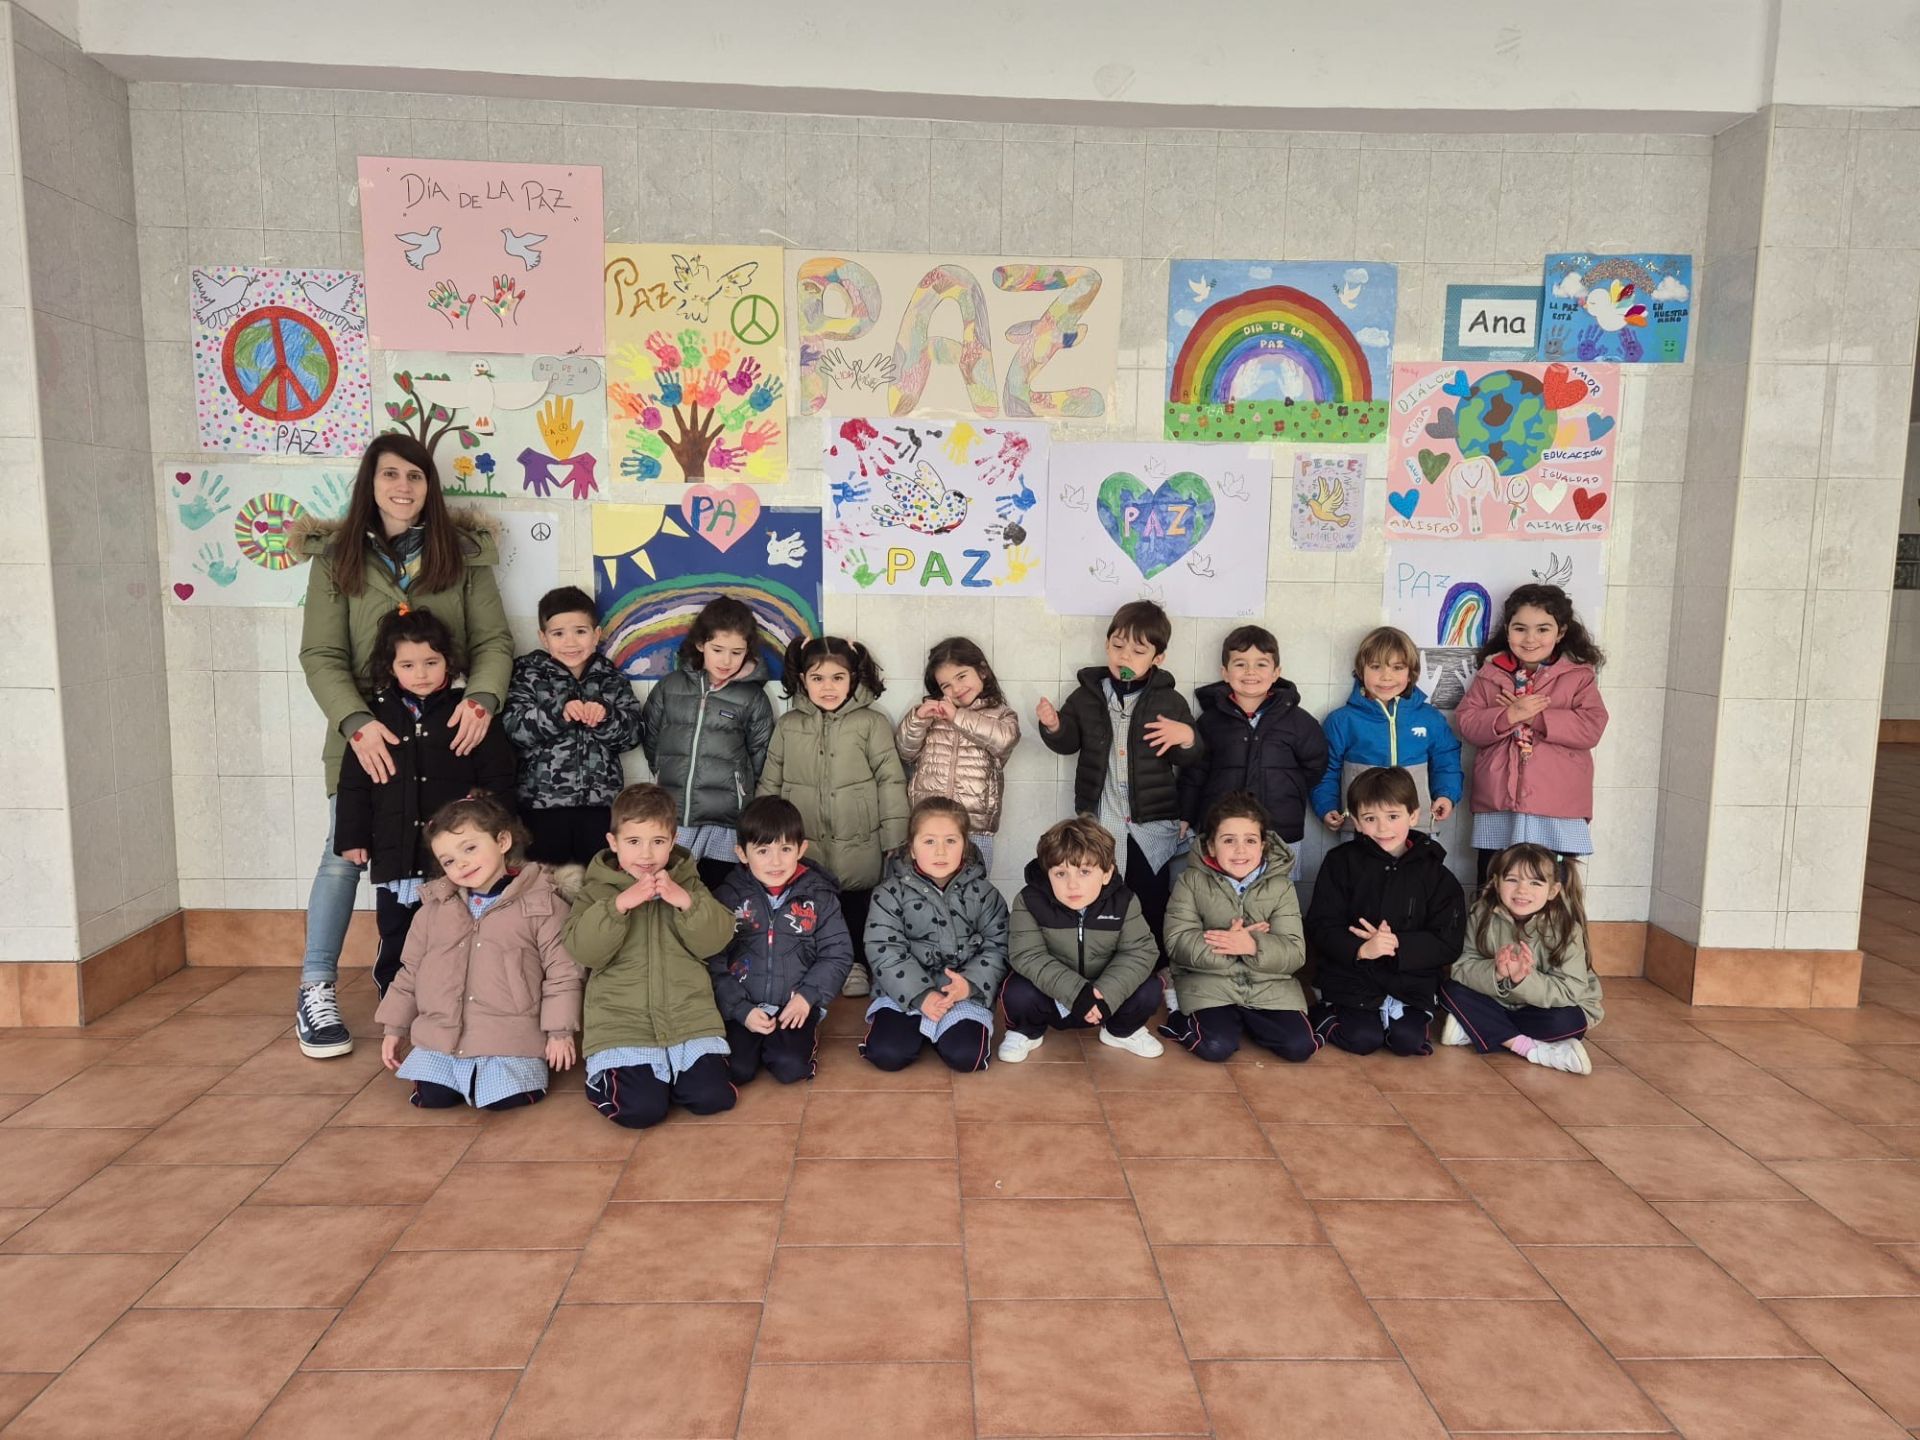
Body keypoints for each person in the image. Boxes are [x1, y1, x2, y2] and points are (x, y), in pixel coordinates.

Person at [294, 433, 514, 1059]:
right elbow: (322, 655)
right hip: (369, 737)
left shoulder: (463, 555)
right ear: (371, 483)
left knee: (448, 864)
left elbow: (495, 642)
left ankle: (444, 989)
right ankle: (316, 988)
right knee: (345, 855)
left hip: (446, 738)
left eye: (415, 477)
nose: (403, 487)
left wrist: (483, 700)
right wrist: (356, 723)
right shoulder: (335, 558)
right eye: (390, 475)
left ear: (429, 486)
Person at [334, 606, 517, 994]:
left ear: (448, 661)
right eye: (409, 665)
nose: (421, 674)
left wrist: (496, 827)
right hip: (395, 853)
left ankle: (453, 1003)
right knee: (397, 933)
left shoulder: (468, 714)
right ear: (390, 668)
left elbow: (501, 777)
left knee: (455, 931)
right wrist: (353, 837)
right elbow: (353, 783)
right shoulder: (374, 719)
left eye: (431, 662)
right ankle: (395, 1001)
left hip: (454, 861)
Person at [375, 794, 581, 1110]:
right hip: (443, 1037)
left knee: (503, 1100)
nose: (462, 864)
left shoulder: (543, 905)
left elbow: (563, 973)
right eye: (449, 861)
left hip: (509, 1037)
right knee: (432, 1097)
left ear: (502, 841)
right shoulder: (432, 911)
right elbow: (410, 972)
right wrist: (395, 1028)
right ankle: (451, 1075)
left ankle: (500, 1077)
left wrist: (559, 1032)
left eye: (470, 848)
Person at [565, 783, 738, 1128]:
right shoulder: (596, 890)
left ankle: (669, 1076)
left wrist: (685, 902)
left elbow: (716, 940)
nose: (646, 855)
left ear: (673, 842)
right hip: (622, 1024)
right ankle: (623, 1079)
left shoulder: (688, 884)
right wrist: (618, 906)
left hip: (687, 1018)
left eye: (657, 842)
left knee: (712, 1098)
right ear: (613, 843)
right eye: (633, 842)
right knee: (641, 1110)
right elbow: (583, 951)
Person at [1035, 600, 1202, 949]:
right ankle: (1103, 958)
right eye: (1118, 646)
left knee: (1150, 894)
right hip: (1101, 817)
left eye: (1138, 651)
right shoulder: (1087, 696)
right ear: (1107, 644)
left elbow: (1194, 759)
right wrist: (1053, 726)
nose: (1124, 657)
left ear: (1158, 658)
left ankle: (1153, 964)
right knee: (1101, 889)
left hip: (1151, 821)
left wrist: (1186, 737)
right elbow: (1068, 743)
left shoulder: (1169, 702)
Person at [757, 634, 908, 996]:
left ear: (853, 679)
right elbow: (771, 778)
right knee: (809, 904)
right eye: (818, 678)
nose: (828, 687)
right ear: (803, 680)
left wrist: (893, 836)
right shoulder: (789, 724)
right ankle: (812, 962)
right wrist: (761, 834)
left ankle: (855, 963)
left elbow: (891, 779)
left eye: (838, 677)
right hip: (804, 839)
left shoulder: (871, 723)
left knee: (856, 904)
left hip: (860, 838)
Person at [1306, 766, 1467, 1057]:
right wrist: (1362, 949)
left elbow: (1449, 942)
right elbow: (1321, 925)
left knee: (1407, 1042)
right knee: (1363, 1039)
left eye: (1393, 816)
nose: (1382, 828)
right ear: (1356, 821)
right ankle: (1321, 1013)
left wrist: (1397, 945)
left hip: (1410, 984)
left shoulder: (1437, 875)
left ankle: (1407, 1023)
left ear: (1414, 815)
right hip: (1351, 980)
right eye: (1370, 819)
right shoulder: (1340, 863)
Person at [1455, 585, 1609, 885]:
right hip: (1499, 801)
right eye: (1520, 628)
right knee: (1494, 880)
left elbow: (1592, 726)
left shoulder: (1578, 676)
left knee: (1552, 886)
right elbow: (1467, 722)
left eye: (1542, 629)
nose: (1530, 639)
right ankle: (1491, 932)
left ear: (1560, 632)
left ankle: (1553, 934)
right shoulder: (1491, 674)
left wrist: (1535, 716)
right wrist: (1509, 716)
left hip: (1557, 804)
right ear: (1507, 629)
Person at [708, 797, 854, 1085]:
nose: (775, 862)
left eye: (785, 849)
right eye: (763, 850)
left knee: (789, 1067)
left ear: (802, 849)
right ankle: (753, 1039)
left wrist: (807, 997)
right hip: (744, 1005)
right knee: (737, 1070)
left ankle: (797, 1035)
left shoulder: (819, 896)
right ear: (742, 853)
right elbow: (713, 958)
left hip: (795, 1005)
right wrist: (740, 1009)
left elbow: (837, 953)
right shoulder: (727, 897)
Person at [1160, 793, 1316, 1063]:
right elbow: (1177, 941)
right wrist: (1229, 945)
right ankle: (1177, 1012)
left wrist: (1253, 945)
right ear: (1211, 846)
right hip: (1209, 983)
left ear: (1263, 846)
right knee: (1215, 1046)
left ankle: (1249, 1022)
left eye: (1250, 840)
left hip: (1269, 987)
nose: (1240, 850)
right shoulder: (1191, 882)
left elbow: (1294, 953)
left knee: (1300, 1046)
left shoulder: (1281, 887)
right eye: (1229, 840)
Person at [861, 798, 1009, 1074]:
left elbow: (998, 946)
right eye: (929, 842)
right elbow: (883, 949)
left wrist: (969, 985)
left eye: (951, 841)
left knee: (968, 1058)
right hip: (904, 993)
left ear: (965, 846)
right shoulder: (889, 894)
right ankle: (916, 1028)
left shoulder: (984, 894)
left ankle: (942, 1031)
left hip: (960, 994)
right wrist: (921, 995)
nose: (940, 851)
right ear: (912, 849)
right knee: (888, 1054)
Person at [999, 815, 1164, 1062]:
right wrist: (1077, 994)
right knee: (1016, 991)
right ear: (1047, 874)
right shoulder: (1029, 900)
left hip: (1106, 1000)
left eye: (1085, 871)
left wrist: (1104, 994)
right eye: (1061, 873)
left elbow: (1140, 951)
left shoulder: (1124, 901)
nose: (1072, 885)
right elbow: (1027, 955)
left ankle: (1121, 1031)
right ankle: (1027, 1031)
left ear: (1106, 873)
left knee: (1150, 988)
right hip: (1054, 996)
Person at [638, 596, 776, 891]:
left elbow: (760, 755)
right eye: (718, 650)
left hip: (726, 820)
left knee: (720, 896)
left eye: (737, 652)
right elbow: (651, 736)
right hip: (675, 816)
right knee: (671, 891)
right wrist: (663, 770)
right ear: (701, 644)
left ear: (748, 652)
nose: (726, 660)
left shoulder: (752, 698)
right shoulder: (671, 686)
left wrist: (741, 790)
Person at [502, 585, 646, 867]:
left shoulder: (609, 677)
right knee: (544, 884)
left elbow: (633, 734)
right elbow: (513, 727)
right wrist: (559, 713)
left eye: (580, 631)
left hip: (600, 806)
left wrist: (605, 717)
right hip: (541, 806)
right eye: (558, 634)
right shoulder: (528, 673)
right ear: (543, 638)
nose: (570, 642)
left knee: (597, 878)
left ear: (596, 635)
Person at [1439, 843, 1603, 1075]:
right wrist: (1496, 972)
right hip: (1498, 1001)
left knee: (1570, 1022)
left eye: (1535, 882)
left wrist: (1522, 980)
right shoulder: (1482, 914)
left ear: (1553, 891)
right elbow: (1462, 967)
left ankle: (1479, 1028)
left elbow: (1571, 990)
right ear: (1497, 883)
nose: (1522, 891)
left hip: (1543, 1010)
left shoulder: (1566, 929)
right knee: (1449, 990)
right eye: (1512, 880)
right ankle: (1529, 1048)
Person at [1180, 624, 1327, 861]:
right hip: (1222, 833)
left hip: (1280, 832)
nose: (1250, 672)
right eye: (1240, 664)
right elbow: (1194, 773)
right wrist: (1185, 814)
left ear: (1276, 672)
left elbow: (1316, 765)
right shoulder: (1209, 722)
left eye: (1261, 664)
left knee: (1275, 894)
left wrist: (1289, 787)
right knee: (1218, 893)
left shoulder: (1299, 721)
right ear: (1225, 672)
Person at [1314, 626, 1462, 833]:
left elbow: (1446, 762)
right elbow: (1325, 770)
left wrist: (1447, 795)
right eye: (1376, 667)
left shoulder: (1430, 718)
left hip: (1416, 826)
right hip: (1361, 828)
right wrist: (1326, 806)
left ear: (1411, 674)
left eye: (1397, 668)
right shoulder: (1342, 721)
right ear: (1360, 671)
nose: (1386, 676)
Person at [896, 636, 1020, 874]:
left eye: (961, 676)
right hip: (929, 826)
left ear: (982, 671)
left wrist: (957, 717)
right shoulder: (931, 714)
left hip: (975, 828)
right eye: (946, 686)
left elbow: (1004, 740)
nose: (956, 689)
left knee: (973, 894)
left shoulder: (1001, 715)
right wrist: (919, 719)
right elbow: (904, 751)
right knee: (924, 892)